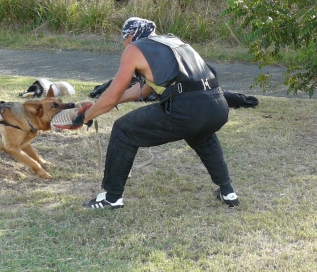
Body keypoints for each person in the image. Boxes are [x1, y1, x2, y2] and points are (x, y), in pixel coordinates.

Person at [72, 17, 239, 209]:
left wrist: (85, 117)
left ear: (131, 35)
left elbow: (112, 94)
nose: (123, 46)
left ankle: (112, 198)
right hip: (217, 105)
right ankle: (228, 192)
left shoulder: (134, 48)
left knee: (123, 129)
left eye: (124, 41)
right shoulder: (172, 41)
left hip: (187, 107)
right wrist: (101, 105)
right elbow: (145, 90)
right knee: (202, 134)